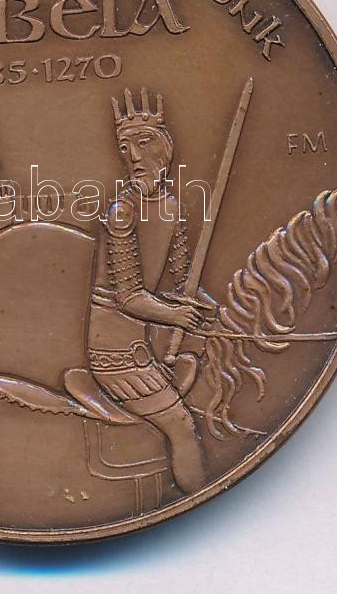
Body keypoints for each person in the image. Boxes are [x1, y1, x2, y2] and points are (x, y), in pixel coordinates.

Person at [87, 88, 213, 494]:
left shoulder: (170, 207)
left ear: (166, 146)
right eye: (126, 149)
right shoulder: (121, 213)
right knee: (182, 426)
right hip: (116, 353)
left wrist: (205, 310)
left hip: (146, 340)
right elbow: (128, 297)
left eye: (144, 143)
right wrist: (176, 315)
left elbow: (179, 284)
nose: (134, 157)